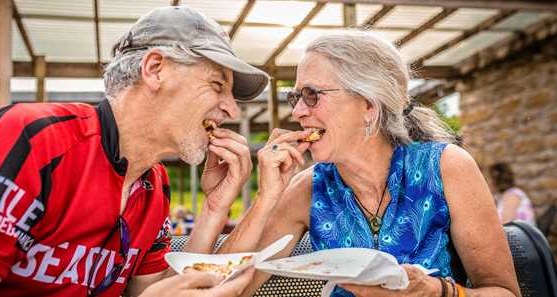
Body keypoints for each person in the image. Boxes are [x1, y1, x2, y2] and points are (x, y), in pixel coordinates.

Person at [0, 6, 267, 297]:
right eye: (217, 84)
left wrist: (214, 208)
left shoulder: (155, 184)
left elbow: (157, 290)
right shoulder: (30, 138)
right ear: (155, 69)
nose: (232, 109)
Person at [218, 31, 521, 297]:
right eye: (294, 96)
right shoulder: (308, 188)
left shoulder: (445, 167)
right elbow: (225, 289)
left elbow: (505, 292)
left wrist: (438, 291)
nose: (297, 111)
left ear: (368, 105)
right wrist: (266, 197)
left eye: (311, 95)